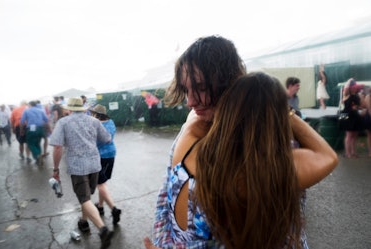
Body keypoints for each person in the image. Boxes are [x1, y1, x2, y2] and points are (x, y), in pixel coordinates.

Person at [194, 72, 338, 248]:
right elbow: (328, 156)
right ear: (278, 114)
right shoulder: (284, 166)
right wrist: (287, 112)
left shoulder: (208, 159)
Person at [144, 35, 247, 248]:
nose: (190, 102)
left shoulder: (260, 139)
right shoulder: (192, 124)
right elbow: (167, 197)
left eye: (200, 88)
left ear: (230, 82)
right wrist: (162, 243)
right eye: (186, 90)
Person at [49, 98, 114, 249]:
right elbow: (107, 139)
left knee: (84, 198)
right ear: (83, 108)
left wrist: (55, 169)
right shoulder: (94, 121)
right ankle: (84, 222)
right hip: (94, 164)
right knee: (87, 197)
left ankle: (102, 230)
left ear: (70, 108)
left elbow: (57, 147)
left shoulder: (63, 122)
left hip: (78, 166)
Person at [89, 104, 122, 225]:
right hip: (111, 154)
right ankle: (101, 206)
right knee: (103, 184)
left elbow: (93, 141)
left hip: (99, 156)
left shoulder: (95, 124)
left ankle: (114, 209)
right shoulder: (111, 122)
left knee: (100, 185)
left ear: (96, 114)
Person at [20, 101, 50, 165]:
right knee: (37, 143)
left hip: (31, 129)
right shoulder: (41, 111)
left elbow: (22, 121)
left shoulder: (26, 111)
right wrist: (49, 129)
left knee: (30, 143)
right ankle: (39, 156)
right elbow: (46, 120)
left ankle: (37, 156)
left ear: (30, 105)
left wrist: (21, 130)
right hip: (40, 129)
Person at [341, 78, 364, 158]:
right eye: (353, 86)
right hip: (346, 115)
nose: (354, 87)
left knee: (355, 134)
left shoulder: (357, 95)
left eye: (355, 86)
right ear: (350, 87)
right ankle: (348, 153)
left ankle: (353, 152)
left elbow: (360, 106)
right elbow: (346, 88)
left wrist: (358, 107)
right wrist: (349, 80)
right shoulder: (346, 94)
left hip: (355, 115)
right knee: (348, 134)